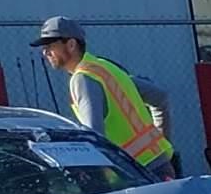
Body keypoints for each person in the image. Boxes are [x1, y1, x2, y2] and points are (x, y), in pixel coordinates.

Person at [32, 17, 180, 178]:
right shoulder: (105, 67)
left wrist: (96, 178)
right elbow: (160, 96)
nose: (45, 52)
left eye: (50, 46)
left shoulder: (82, 78)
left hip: (133, 175)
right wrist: (160, 142)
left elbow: (93, 135)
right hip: (158, 165)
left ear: (71, 44)